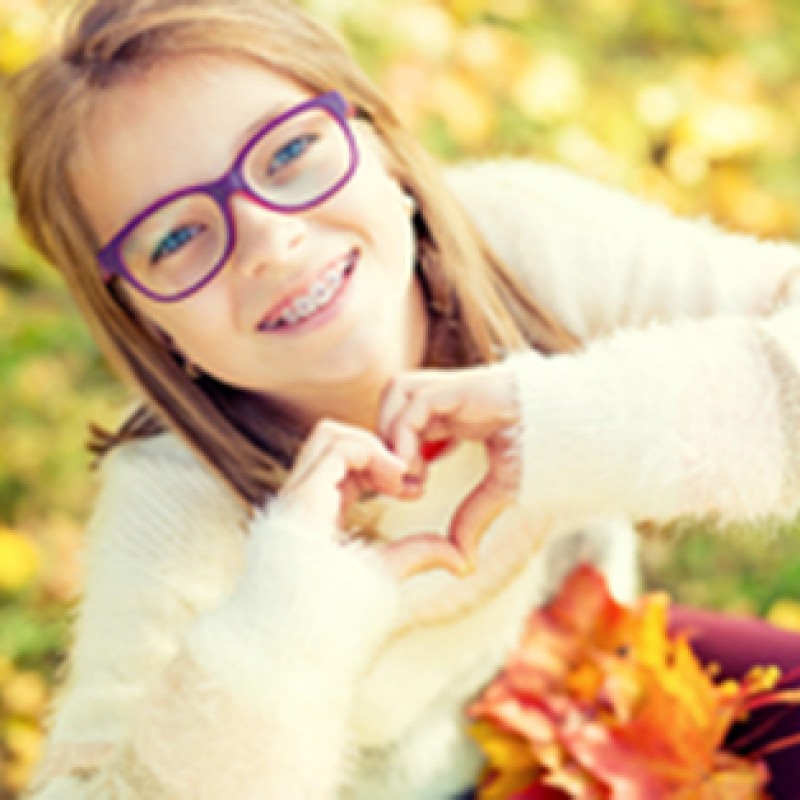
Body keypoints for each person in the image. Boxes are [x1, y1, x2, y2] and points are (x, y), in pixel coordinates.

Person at [7, 0, 800, 797]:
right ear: (146, 324)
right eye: (176, 238)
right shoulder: (173, 501)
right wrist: (279, 633)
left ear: (380, 144)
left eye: (290, 151)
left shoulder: (522, 239)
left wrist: (577, 417)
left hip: (598, 681)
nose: (270, 240)